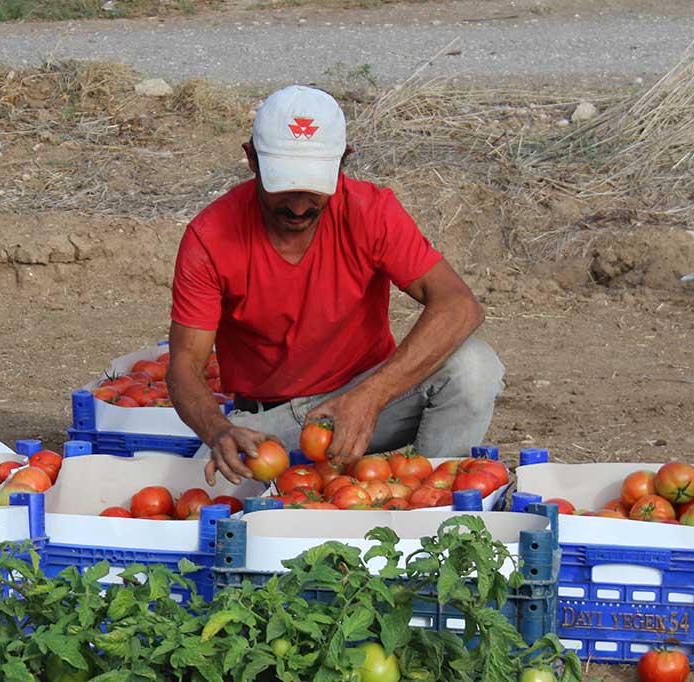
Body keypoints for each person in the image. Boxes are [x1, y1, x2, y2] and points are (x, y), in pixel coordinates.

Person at [166, 85, 504, 485]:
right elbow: (184, 365)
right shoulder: (210, 236)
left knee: (474, 367)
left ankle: (434, 499)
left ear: (343, 161)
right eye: (283, 187)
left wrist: (370, 396)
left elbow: (460, 306)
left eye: (312, 188)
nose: (297, 207)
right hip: (270, 425)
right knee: (206, 489)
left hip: (366, 398)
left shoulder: (370, 211)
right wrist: (218, 430)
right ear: (252, 159)